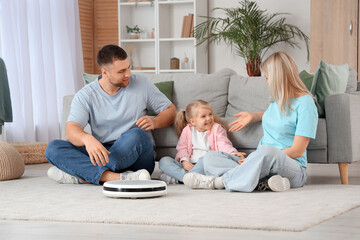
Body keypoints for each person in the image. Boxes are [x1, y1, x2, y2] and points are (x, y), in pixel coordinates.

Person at [182, 51, 318, 192]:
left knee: (268, 152)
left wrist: (258, 159)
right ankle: (263, 181)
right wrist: (253, 116)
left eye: (267, 77)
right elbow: (279, 117)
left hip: (291, 167)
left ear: (278, 78)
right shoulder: (278, 100)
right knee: (211, 157)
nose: (266, 82)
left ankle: (219, 182)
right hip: (261, 160)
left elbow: (297, 150)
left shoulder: (306, 104)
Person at [45, 44, 176, 184]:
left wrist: (155, 122)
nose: (128, 74)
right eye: (121, 71)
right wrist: (87, 139)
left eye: (128, 67)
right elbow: (71, 130)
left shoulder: (142, 84)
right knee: (53, 148)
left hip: (136, 152)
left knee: (137, 134)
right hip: (104, 152)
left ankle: (82, 175)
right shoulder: (86, 95)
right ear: (105, 72)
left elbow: (170, 110)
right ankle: (117, 177)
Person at [159, 100, 245, 185]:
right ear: (193, 121)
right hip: (190, 164)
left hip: (205, 164)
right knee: (163, 161)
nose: (208, 118)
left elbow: (223, 144)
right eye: (203, 116)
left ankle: (180, 179)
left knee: (207, 157)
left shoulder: (217, 128)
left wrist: (233, 153)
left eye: (210, 114)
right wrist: (184, 161)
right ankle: (188, 178)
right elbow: (182, 148)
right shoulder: (187, 130)